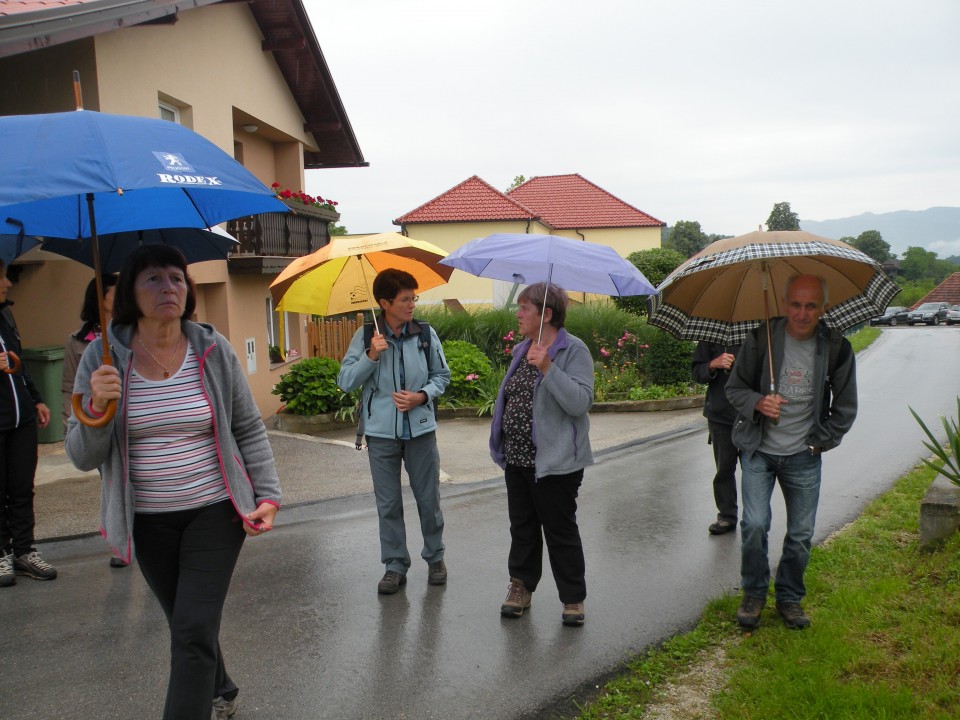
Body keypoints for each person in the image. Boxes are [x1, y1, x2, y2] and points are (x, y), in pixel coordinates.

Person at [64, 246, 281, 720]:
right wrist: (98, 411)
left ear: (189, 290)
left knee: (192, 627)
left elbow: (247, 426)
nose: (168, 289)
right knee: (187, 624)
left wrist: (268, 494)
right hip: (147, 520)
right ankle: (220, 684)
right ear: (129, 294)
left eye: (176, 279)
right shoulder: (102, 360)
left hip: (215, 511)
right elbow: (81, 456)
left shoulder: (213, 348)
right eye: (153, 280)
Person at [725, 274, 857, 631]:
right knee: (754, 525)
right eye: (795, 304)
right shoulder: (762, 338)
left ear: (823, 308)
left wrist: (820, 440)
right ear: (785, 304)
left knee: (800, 534)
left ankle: (789, 597)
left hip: (803, 454)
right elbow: (734, 388)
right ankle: (754, 592)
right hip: (759, 451)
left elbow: (845, 408)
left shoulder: (836, 347)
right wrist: (758, 403)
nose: (802, 313)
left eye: (811, 305)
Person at [337, 268, 450, 595]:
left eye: (413, 297)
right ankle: (395, 566)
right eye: (404, 299)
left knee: (428, 499)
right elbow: (346, 382)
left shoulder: (425, 334)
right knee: (388, 504)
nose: (412, 304)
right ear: (384, 302)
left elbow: (442, 376)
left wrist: (421, 396)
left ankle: (435, 558)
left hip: (421, 432)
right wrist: (371, 355)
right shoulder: (365, 337)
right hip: (381, 434)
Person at [489, 282, 594, 627]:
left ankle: (573, 598)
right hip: (518, 458)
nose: (517, 314)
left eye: (524, 308)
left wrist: (548, 367)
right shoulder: (523, 348)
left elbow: (580, 402)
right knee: (522, 527)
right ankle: (521, 587)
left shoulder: (573, 351)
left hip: (556, 462)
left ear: (546, 314)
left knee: (559, 529)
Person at [62, 275, 128, 568]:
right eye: (117, 292)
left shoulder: (129, 337)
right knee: (110, 479)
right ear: (101, 297)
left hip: (122, 419)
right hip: (93, 418)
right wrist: (75, 420)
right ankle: (120, 539)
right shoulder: (82, 342)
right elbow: (70, 386)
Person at [0, 260, 55, 588]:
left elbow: (19, 365)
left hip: (21, 419)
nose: (7, 283)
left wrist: (36, 399)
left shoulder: (6, 315)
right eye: (2, 277)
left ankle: (23, 551)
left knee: (22, 488)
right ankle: (1, 552)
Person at [692, 341, 743, 535]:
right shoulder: (711, 336)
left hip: (752, 414)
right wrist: (713, 364)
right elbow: (697, 373)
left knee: (755, 471)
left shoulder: (761, 334)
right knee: (724, 469)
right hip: (720, 415)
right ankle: (727, 516)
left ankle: (756, 518)